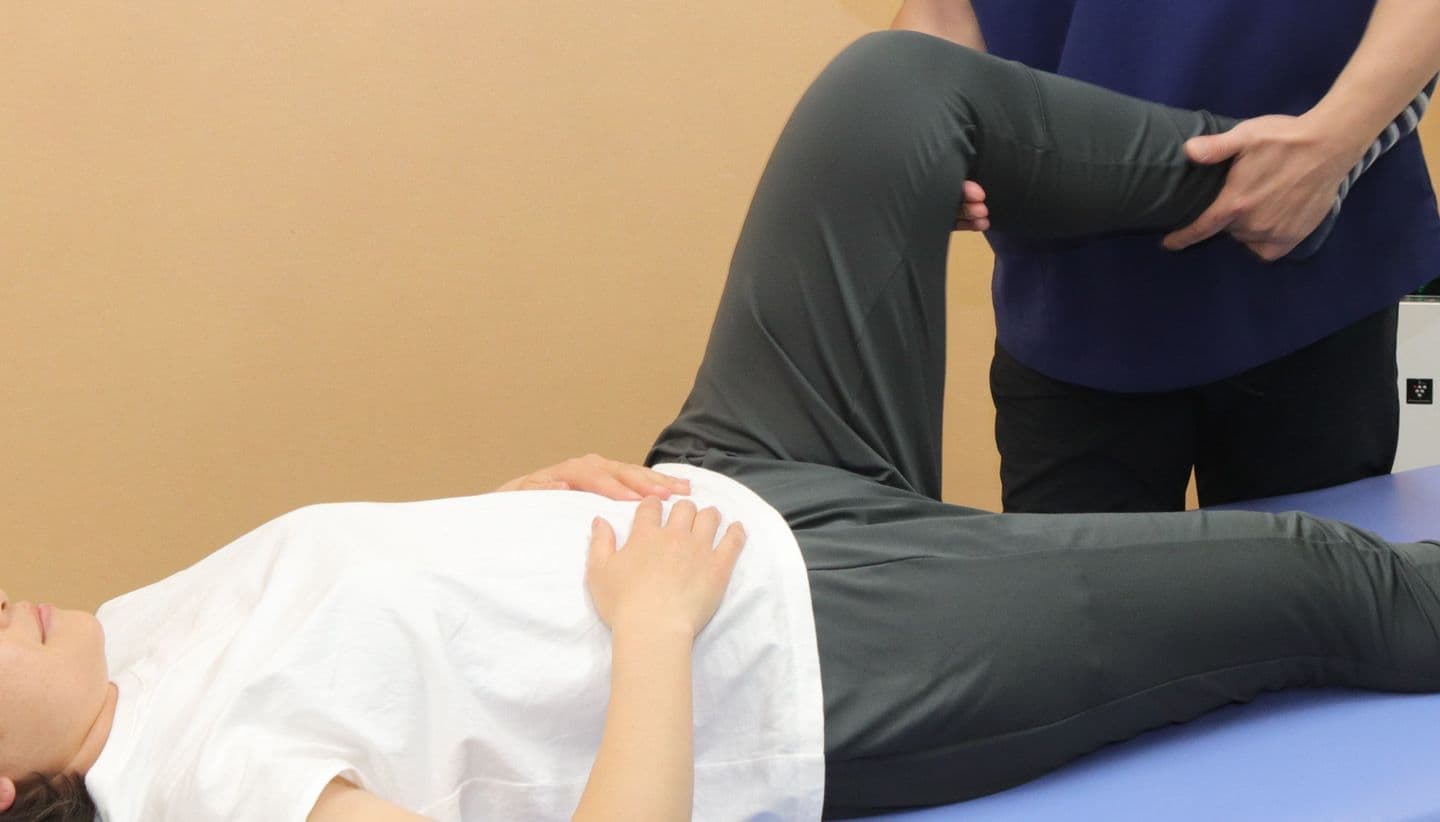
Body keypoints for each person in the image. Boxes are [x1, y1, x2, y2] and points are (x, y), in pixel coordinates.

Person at [4, 31, 1440, 822]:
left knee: (890, 94)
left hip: (724, 476)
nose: (4, 604)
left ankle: (1276, 184)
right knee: (1315, 579)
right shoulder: (204, 790)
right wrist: (651, 625)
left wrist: (505, 513)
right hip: (802, 644)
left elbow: (394, 648)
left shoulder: (124, 638)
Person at [893, 0, 1440, 513]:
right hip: (1073, 306)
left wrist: (1334, 143)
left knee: (1311, 582)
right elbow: (943, 17)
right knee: (1080, 584)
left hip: (1311, 286)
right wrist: (924, 139)